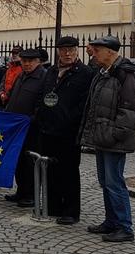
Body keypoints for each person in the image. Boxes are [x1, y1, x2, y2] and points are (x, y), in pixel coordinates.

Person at [80, 35, 135, 243]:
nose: (93, 54)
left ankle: (124, 226)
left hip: (114, 139)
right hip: (101, 137)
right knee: (105, 182)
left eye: (97, 50)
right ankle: (111, 221)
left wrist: (114, 134)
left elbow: (129, 110)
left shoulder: (126, 74)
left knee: (115, 183)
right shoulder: (103, 72)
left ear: (110, 52)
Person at [37, 36, 94, 225]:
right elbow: (43, 95)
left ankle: (71, 211)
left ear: (77, 51)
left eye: (71, 50)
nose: (67, 53)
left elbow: (84, 103)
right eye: (63, 50)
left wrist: (70, 120)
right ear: (58, 51)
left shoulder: (85, 73)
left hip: (69, 131)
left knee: (69, 172)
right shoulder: (51, 71)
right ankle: (53, 205)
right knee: (50, 169)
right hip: (48, 129)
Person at [4, 48, 47, 207]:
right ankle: (21, 190)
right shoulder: (21, 75)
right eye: (24, 61)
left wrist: (33, 119)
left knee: (30, 162)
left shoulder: (43, 77)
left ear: (38, 61)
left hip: (31, 128)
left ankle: (31, 195)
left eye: (30, 61)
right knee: (19, 160)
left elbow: (43, 104)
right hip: (16, 126)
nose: (27, 64)